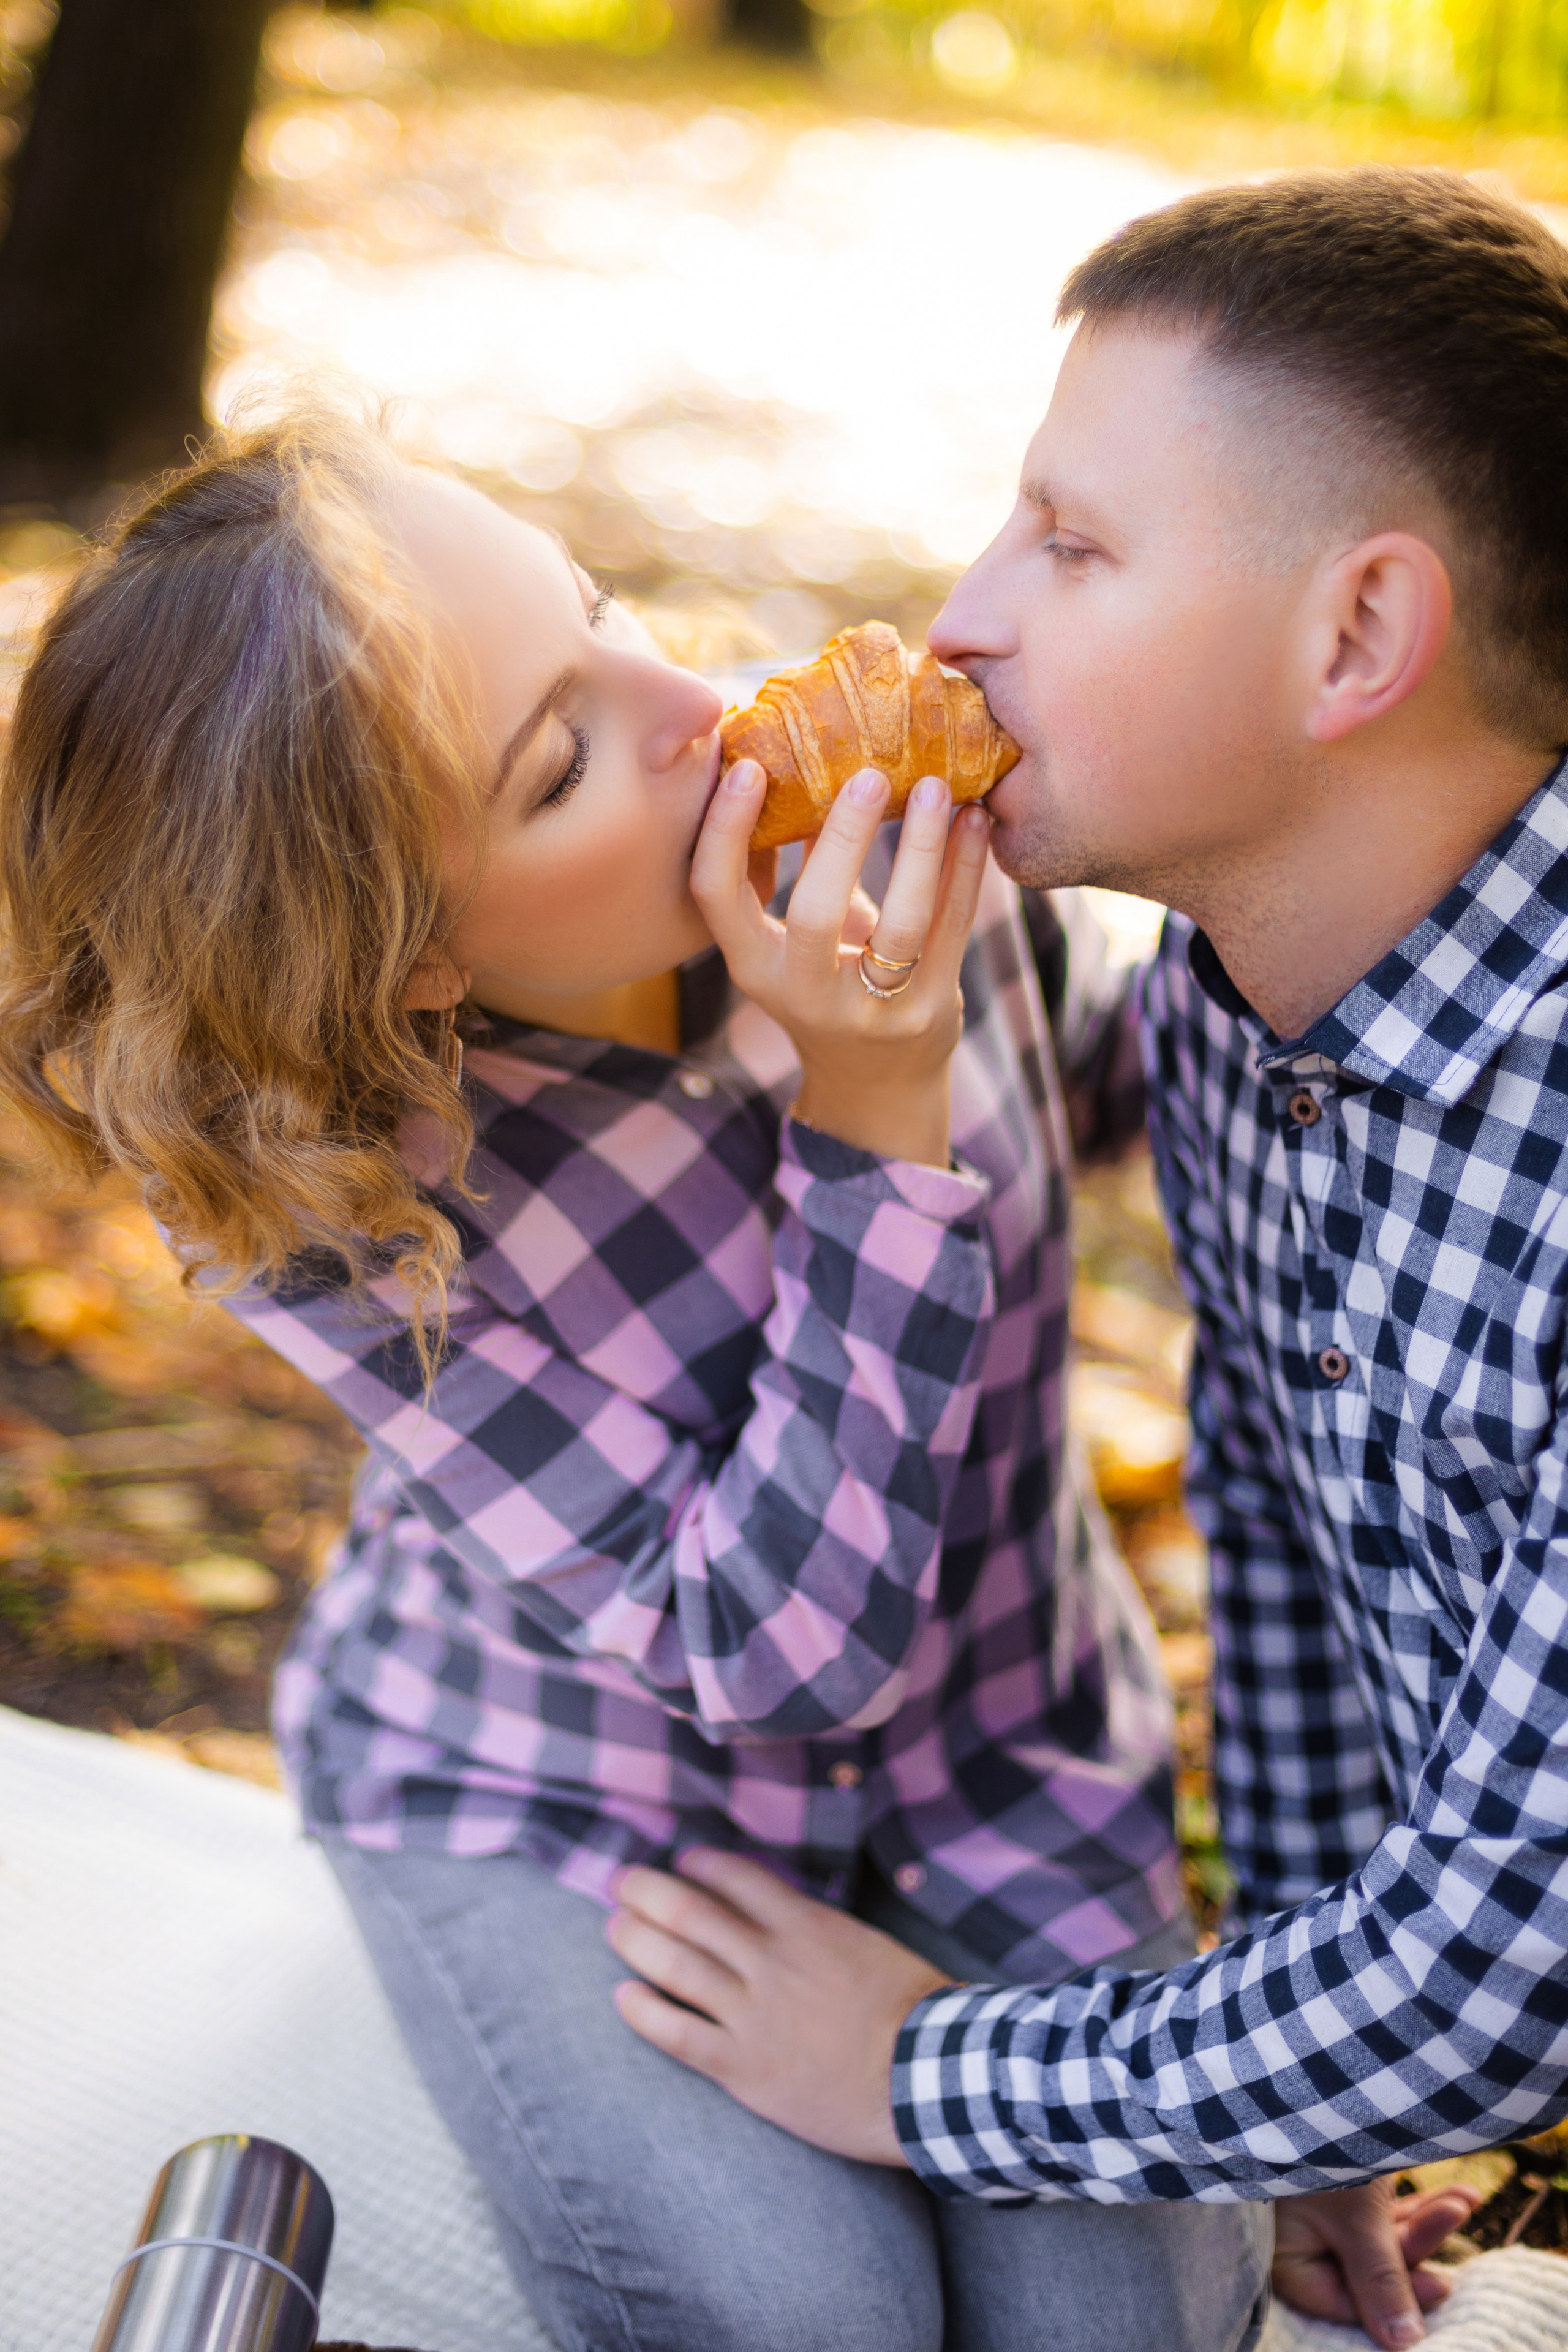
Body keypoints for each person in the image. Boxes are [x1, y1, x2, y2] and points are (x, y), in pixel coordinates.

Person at [0, 413, 1270, 2351]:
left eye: (601, 617)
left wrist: (1315, 2084)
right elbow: (772, 1655)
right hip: (589, 1809)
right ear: (414, 959)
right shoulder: (334, 1214)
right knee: (809, 2318)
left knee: (1127, 2330)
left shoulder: (911, 860)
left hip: (1007, 1757)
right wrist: (875, 1107)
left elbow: (1148, 1072)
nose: (693, 702)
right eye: (561, 760)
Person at [604, 164, 1568, 2352]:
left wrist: (910, 2069)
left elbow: (1501, 1971)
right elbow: (1302, 1532)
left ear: (1357, 637)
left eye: (1074, 542)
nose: (957, 616)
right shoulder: (1253, 1002)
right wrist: (1303, 2104)